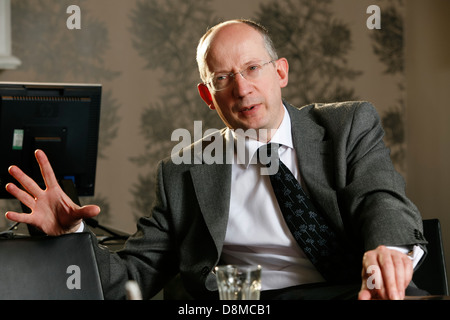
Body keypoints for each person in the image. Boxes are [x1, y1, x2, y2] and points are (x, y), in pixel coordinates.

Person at [4, 19, 427, 300]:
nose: (241, 90)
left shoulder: (348, 125)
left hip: (357, 292)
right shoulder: (183, 172)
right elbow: (129, 281)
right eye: (222, 79)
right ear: (208, 96)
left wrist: (387, 250)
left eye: (253, 69)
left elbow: (380, 198)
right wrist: (72, 233)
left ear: (280, 73)